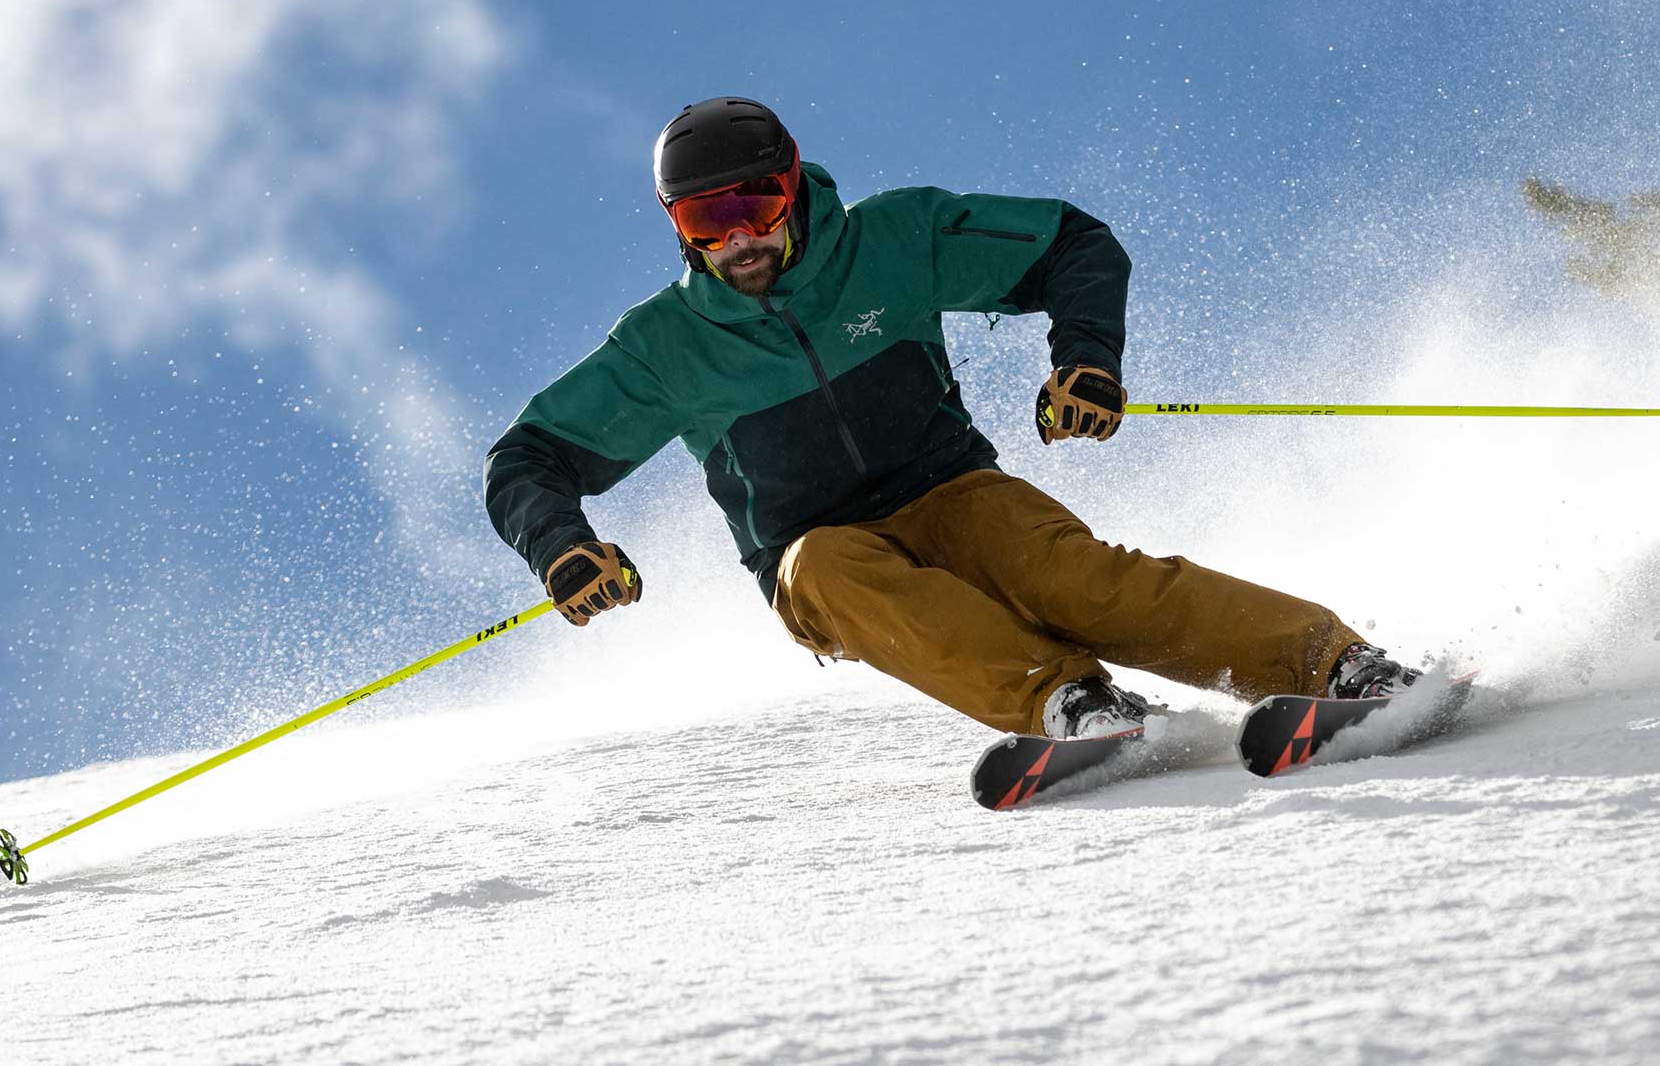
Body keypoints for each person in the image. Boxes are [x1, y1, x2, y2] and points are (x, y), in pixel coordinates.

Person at [484, 96, 1417, 741]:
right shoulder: (665, 345)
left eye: (754, 206)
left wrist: (1087, 360)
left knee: (1071, 581)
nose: (738, 239)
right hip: (816, 552)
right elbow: (528, 458)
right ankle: (1072, 706)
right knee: (833, 567)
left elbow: (1072, 244)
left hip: (955, 491)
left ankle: (1339, 665)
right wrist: (562, 546)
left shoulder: (892, 242)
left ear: (792, 187)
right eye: (703, 221)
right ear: (677, 227)